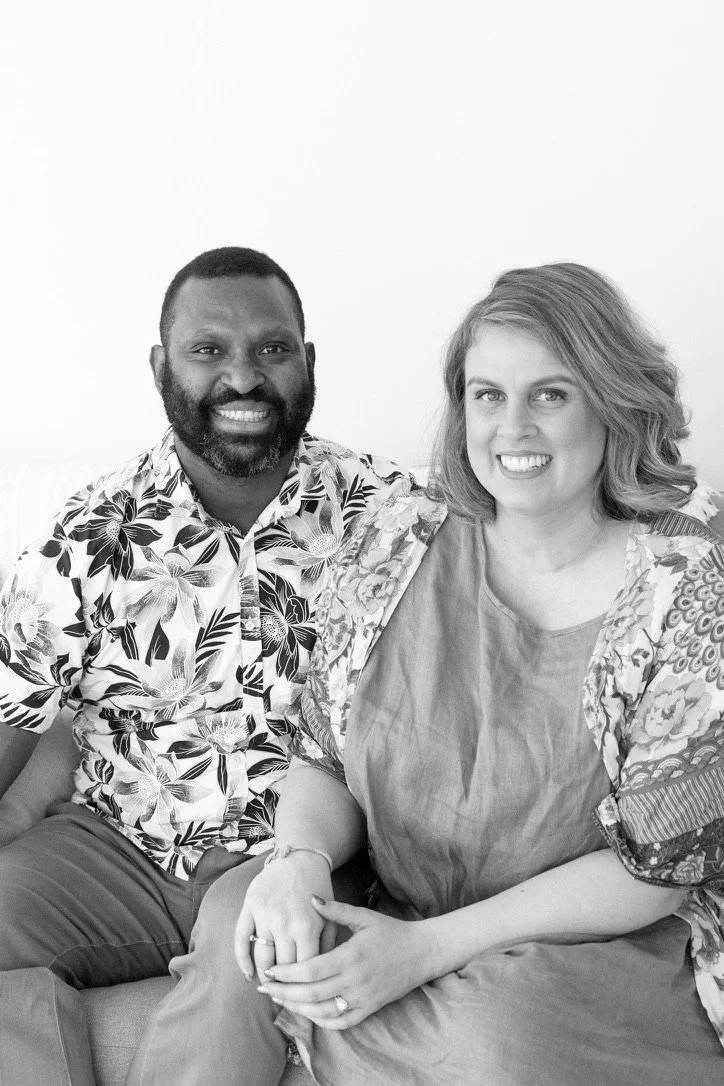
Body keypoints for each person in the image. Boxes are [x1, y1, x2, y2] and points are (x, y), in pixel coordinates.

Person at [212, 263, 721, 1085]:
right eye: (487, 395)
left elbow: (656, 869)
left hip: (588, 949)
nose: (512, 427)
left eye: (550, 394)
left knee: (495, 1044)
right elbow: (319, 758)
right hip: (396, 912)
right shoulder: (399, 537)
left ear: (612, 401)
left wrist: (424, 952)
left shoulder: (688, 580)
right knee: (247, 937)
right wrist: (299, 857)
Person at [0, 246, 411, 1084]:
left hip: (291, 855)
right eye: (208, 350)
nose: (243, 377)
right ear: (162, 367)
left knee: (251, 954)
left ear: (308, 362)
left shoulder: (393, 523)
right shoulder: (91, 533)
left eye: (272, 348)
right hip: (112, 845)